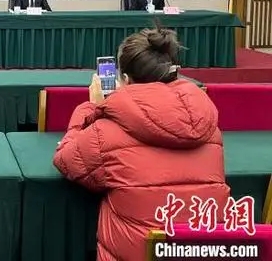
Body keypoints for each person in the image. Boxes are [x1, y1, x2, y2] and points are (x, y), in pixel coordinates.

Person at [53, 27, 229, 261]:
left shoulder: (106, 132)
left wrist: (91, 107)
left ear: (125, 80)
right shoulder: (209, 127)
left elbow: (66, 159)